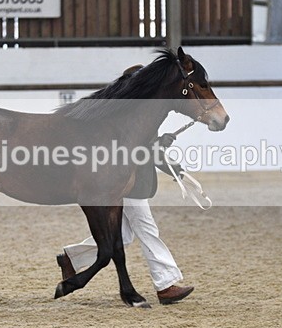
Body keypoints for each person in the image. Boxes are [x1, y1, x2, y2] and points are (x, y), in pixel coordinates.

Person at [56, 67, 195, 305]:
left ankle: (71, 257)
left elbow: (149, 151)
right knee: (147, 230)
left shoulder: (142, 118)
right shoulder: (125, 120)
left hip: (133, 183)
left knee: (122, 236)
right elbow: (140, 151)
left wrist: (173, 165)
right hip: (127, 185)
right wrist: (160, 144)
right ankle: (166, 284)